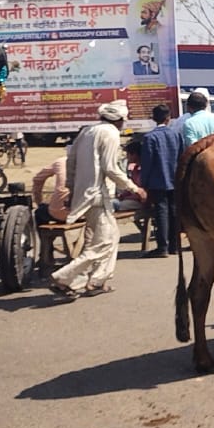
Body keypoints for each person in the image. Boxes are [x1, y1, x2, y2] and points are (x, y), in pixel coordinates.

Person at [49, 100, 146, 298]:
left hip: (86, 195)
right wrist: (134, 188)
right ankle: (64, 277)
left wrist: (71, 191)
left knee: (109, 238)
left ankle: (96, 280)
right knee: (103, 243)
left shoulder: (86, 132)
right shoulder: (110, 133)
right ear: (118, 120)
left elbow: (72, 164)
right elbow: (110, 168)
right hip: (98, 196)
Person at [140, 103, 184, 257]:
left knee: (161, 213)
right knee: (174, 212)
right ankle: (174, 245)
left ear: (153, 118)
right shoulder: (176, 135)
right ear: (169, 118)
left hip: (157, 181)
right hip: (174, 179)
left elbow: (147, 163)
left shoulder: (149, 137)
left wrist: (143, 183)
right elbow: (181, 157)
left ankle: (162, 247)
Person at [31, 153, 69, 225]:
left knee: (40, 212)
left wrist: (38, 201)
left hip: (59, 212)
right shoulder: (90, 163)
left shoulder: (60, 161)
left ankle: (43, 235)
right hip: (84, 213)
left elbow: (37, 179)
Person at [114, 142, 144, 211]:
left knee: (113, 204)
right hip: (130, 199)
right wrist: (123, 196)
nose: (127, 157)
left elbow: (141, 194)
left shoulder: (144, 171)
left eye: (128, 154)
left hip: (138, 202)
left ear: (134, 155)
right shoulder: (135, 169)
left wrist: (127, 197)